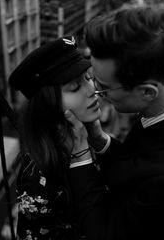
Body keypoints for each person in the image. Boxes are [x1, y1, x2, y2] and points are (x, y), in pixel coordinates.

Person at [65, 5, 164, 240]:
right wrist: (100, 140)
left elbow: (105, 233)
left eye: (103, 86)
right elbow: (137, 167)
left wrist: (80, 155)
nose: (95, 92)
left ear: (147, 92)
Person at [8, 36, 101, 240]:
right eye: (75, 87)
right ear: (49, 104)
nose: (92, 90)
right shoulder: (38, 176)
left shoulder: (87, 135)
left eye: (88, 78)